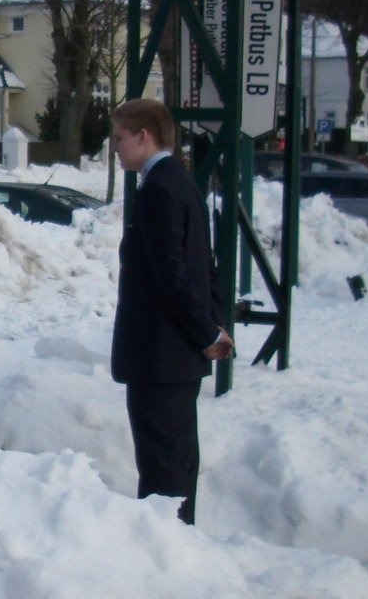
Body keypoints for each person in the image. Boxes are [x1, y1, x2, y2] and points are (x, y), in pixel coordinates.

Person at [110, 98, 234, 525]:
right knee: (179, 466)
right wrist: (212, 328)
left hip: (159, 357)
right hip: (179, 356)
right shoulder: (182, 183)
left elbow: (172, 275)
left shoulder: (159, 190)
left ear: (143, 136)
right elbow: (206, 265)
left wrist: (206, 332)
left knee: (163, 475)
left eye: (119, 138)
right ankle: (180, 549)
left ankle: (165, 557)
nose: (116, 148)